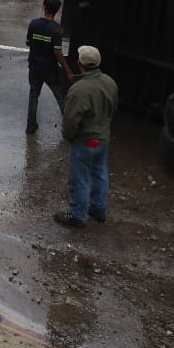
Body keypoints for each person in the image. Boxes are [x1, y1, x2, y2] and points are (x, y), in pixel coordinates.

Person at [54, 45, 119, 228]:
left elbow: (70, 120)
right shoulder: (110, 83)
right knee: (100, 174)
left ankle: (77, 215)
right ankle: (98, 209)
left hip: (84, 141)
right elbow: (113, 108)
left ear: (79, 64)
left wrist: (68, 136)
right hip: (102, 139)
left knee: (80, 178)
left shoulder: (79, 89)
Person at [26, 0, 75, 136]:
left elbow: (28, 42)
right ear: (57, 11)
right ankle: (70, 129)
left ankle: (30, 126)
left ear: (44, 7)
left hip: (34, 67)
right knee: (60, 96)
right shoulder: (56, 29)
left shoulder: (34, 24)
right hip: (50, 70)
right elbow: (57, 51)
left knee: (33, 94)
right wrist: (68, 70)